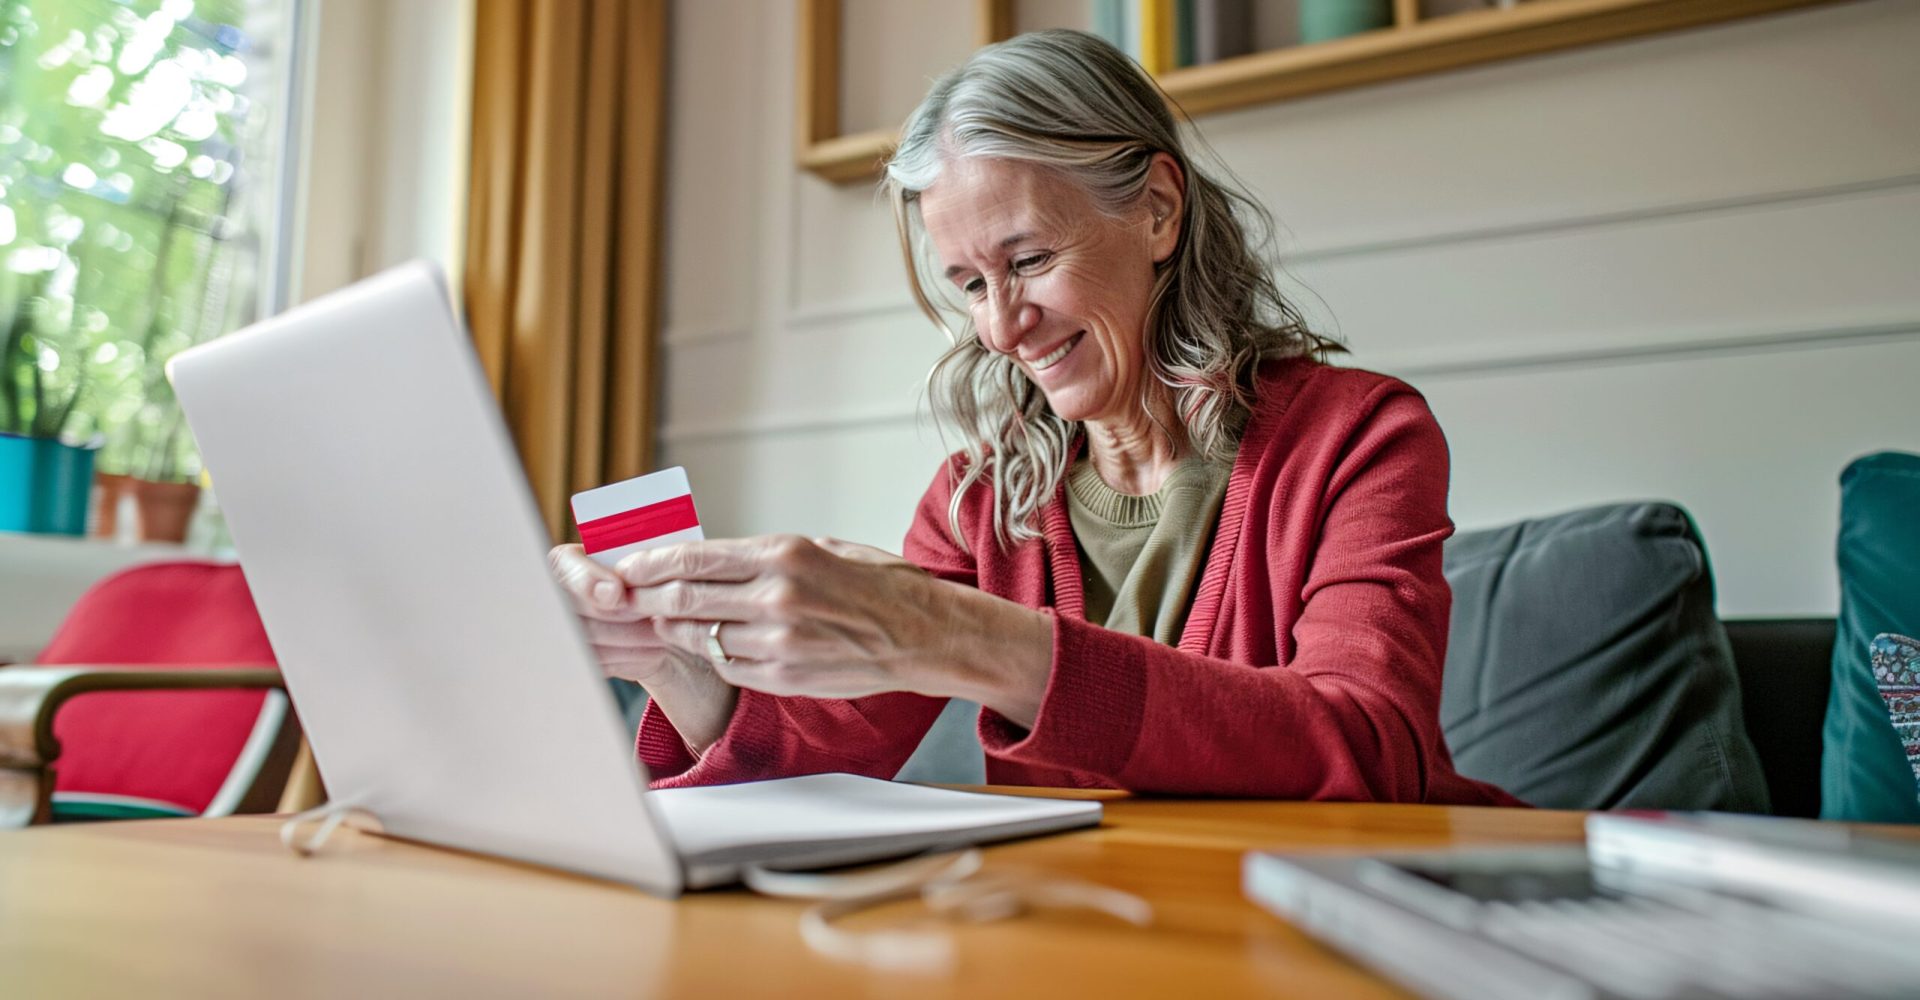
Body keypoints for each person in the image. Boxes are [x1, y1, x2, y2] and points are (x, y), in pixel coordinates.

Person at [549, 30, 1519, 805]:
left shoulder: (1358, 436)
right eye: (969, 283)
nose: (1001, 327)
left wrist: (964, 634)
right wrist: (678, 663)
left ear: (1157, 211)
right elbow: (815, 766)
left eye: (1027, 261)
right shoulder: (980, 499)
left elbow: (1368, 749)